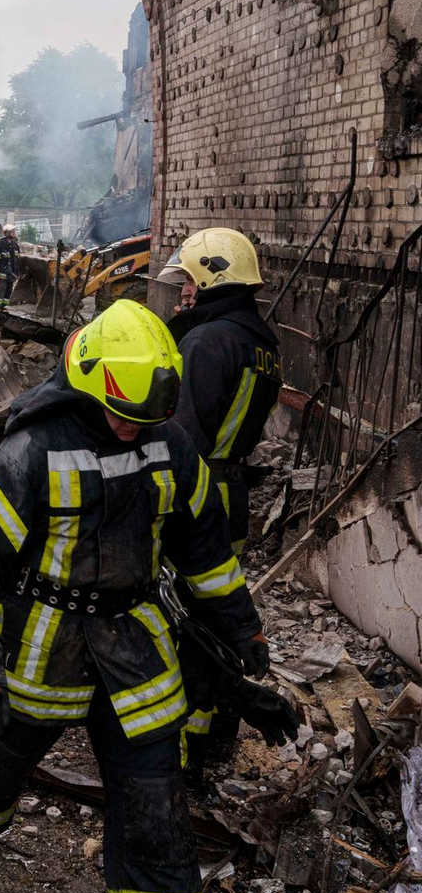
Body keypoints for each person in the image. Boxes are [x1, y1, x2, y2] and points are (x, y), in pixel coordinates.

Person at [0, 300, 267, 893]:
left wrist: (242, 629)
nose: (131, 427)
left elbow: (207, 553)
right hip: (46, 638)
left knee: (153, 782)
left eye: (144, 418)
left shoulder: (170, 446)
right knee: (6, 748)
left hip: (136, 638)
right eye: (121, 414)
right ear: (87, 386)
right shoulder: (29, 455)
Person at [157, 227, 282, 771]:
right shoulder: (262, 342)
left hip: (196, 492)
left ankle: (183, 748)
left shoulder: (207, 342)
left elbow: (180, 434)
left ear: (212, 276)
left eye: (188, 279)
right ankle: (213, 739)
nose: (184, 291)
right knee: (215, 613)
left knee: (181, 616)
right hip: (230, 495)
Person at [0, 224, 19, 309]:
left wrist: (16, 273)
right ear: (6, 233)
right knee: (0, 292)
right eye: (12, 232)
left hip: (11, 274)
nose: (14, 233)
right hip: (2, 273)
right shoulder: (0, 243)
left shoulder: (15, 244)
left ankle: (3, 309)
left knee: (8, 293)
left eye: (14, 231)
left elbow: (16, 261)